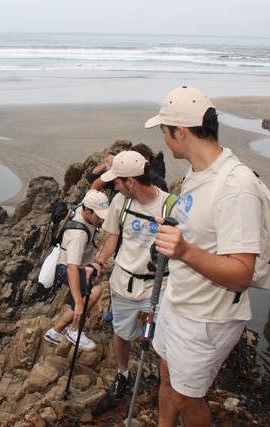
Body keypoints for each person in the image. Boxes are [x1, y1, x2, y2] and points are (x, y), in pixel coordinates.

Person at [145, 86, 262, 427]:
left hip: (208, 318)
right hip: (180, 300)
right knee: (167, 373)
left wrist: (183, 250)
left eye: (165, 132)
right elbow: (199, 228)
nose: (164, 140)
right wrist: (173, 235)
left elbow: (242, 272)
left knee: (186, 397)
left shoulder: (235, 186)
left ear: (180, 132)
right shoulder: (199, 172)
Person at [86, 150, 174, 398]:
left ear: (131, 182)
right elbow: (113, 238)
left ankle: (167, 383)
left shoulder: (170, 205)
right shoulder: (120, 202)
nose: (114, 185)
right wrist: (99, 262)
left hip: (160, 286)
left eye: (117, 181)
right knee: (121, 334)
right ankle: (123, 373)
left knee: (167, 339)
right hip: (124, 282)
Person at [43, 189, 109, 351]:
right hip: (65, 267)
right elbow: (72, 268)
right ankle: (74, 330)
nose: (101, 219)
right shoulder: (78, 235)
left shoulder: (85, 203)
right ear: (87, 211)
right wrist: (79, 301)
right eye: (98, 215)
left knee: (87, 295)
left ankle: (55, 332)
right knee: (92, 292)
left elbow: (94, 185)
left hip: (76, 264)